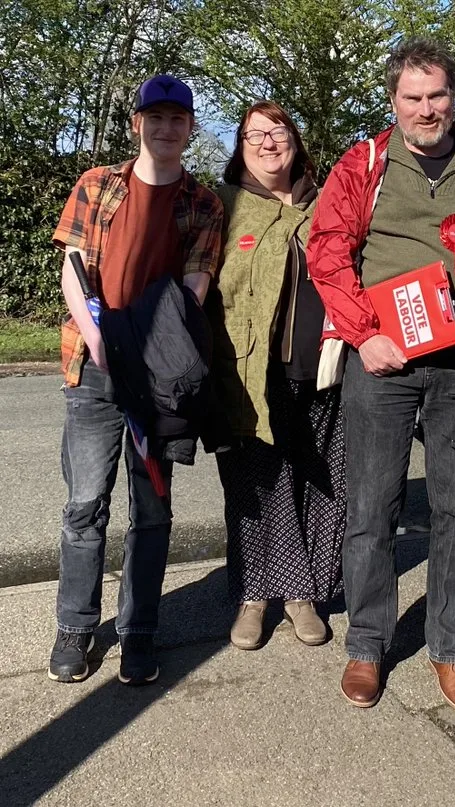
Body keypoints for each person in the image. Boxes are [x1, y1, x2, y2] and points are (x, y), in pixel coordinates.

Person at [307, 37, 455, 714]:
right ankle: (368, 644)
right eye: (413, 97)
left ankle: (450, 648)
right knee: (373, 506)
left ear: (453, 97)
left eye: (437, 96)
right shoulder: (364, 163)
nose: (427, 109)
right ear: (393, 101)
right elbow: (328, 251)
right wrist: (362, 336)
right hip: (384, 362)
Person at [49, 75, 223, 685]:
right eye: (156, 117)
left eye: (179, 119)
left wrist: (160, 349)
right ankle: (74, 625)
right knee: (84, 503)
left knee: (151, 511)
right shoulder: (96, 185)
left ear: (191, 129)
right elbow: (72, 265)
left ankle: (139, 632)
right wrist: (95, 336)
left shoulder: (202, 203)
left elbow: (196, 285)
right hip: (91, 368)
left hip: (158, 378)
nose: (166, 128)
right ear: (136, 123)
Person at [206, 101, 345, 652]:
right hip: (244, 369)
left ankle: (306, 591)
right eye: (254, 134)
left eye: (278, 131)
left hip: (321, 369)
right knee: (255, 482)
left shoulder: (329, 201)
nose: (268, 142)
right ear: (239, 146)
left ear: (296, 140)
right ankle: (257, 596)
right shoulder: (224, 205)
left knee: (316, 477)